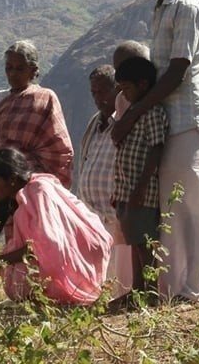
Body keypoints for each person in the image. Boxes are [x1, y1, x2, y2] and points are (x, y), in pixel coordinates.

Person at [114, 0, 199, 303]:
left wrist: (134, 113)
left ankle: (193, 289)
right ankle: (170, 288)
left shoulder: (186, 6)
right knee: (170, 203)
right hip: (166, 116)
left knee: (192, 200)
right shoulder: (162, 9)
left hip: (188, 114)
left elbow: (177, 73)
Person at [0, 147, 111, 305]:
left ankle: (57, 293)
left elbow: (45, 245)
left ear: (12, 179)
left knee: (17, 268)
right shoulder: (26, 192)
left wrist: (0, 260)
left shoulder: (39, 191)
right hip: (76, 250)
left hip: (79, 252)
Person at [0, 40, 74, 226]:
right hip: (3, 185)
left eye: (20, 68)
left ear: (33, 70)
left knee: (34, 239)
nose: (13, 74)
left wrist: (28, 173)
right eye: (9, 68)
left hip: (35, 187)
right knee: (9, 236)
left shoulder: (46, 99)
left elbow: (60, 150)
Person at [110, 56, 170, 307]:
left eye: (127, 88)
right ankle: (138, 290)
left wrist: (141, 187)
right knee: (134, 241)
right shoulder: (133, 113)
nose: (123, 94)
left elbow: (156, 150)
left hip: (141, 193)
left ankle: (150, 292)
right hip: (127, 191)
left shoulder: (153, 113)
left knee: (145, 243)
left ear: (143, 85)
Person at [74, 64, 131, 296]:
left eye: (103, 92)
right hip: (92, 217)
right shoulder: (95, 124)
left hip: (114, 216)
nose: (98, 98)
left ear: (118, 90)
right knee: (94, 279)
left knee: (118, 280)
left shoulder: (126, 121)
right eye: (94, 93)